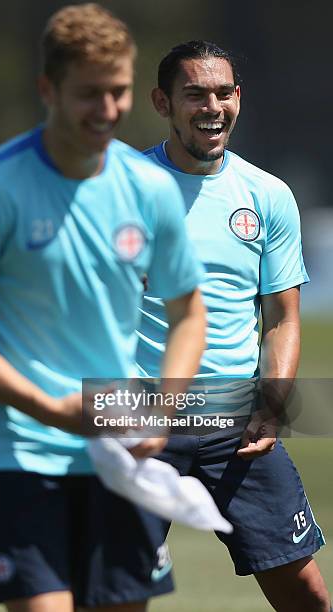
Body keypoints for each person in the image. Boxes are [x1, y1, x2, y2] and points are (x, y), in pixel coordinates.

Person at [0, 8, 206, 612]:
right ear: (47, 89)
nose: (107, 110)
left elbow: (189, 313)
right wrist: (50, 409)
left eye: (118, 91)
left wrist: (162, 407)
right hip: (17, 449)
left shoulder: (150, 188)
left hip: (119, 446)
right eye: (88, 94)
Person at [136, 40, 331, 611]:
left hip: (236, 419)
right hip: (137, 414)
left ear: (238, 99)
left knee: (308, 596)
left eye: (223, 93)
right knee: (113, 595)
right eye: (194, 93)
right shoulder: (119, 188)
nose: (211, 106)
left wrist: (273, 403)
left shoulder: (268, 195)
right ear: (162, 102)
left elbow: (282, 318)